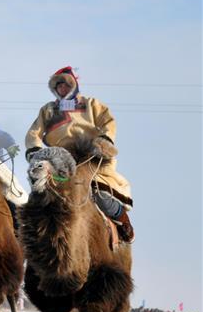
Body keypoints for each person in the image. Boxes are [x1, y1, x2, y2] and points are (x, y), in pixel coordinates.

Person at [25, 66, 134, 242]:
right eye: (59, 86)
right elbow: (34, 133)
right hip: (59, 161)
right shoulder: (48, 110)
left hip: (90, 156)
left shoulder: (91, 104)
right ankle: (31, 241)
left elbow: (107, 121)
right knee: (40, 198)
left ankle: (122, 220)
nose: (63, 89)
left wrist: (104, 140)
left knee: (101, 194)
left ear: (74, 85)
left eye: (66, 85)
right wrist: (35, 150)